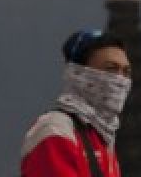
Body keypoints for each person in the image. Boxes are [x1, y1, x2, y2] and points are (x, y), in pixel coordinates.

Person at [21, 29, 132, 177]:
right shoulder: (56, 129)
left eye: (126, 72)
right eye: (110, 69)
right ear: (78, 73)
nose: (120, 80)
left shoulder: (103, 137)